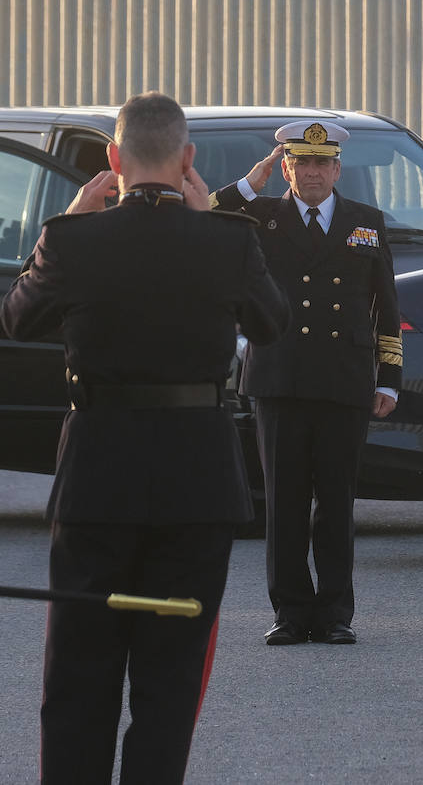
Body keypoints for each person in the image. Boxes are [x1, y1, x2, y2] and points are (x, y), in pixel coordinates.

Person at [0, 91, 289, 783]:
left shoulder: (73, 241)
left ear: (112, 160)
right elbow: (273, 323)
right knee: (169, 685)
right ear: (188, 159)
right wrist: (214, 221)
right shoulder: (229, 239)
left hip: (97, 486)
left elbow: (18, 322)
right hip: (195, 490)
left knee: (78, 682)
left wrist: (65, 223)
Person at [212, 120, 401, 646]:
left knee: (336, 501)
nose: (313, 171)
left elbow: (386, 306)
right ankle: (291, 612)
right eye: (301, 162)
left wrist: (389, 378)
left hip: (344, 378)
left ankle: (336, 611)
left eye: (322, 163)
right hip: (281, 376)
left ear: (338, 169)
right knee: (285, 501)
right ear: (286, 168)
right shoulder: (262, 216)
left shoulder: (366, 221)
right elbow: (206, 213)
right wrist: (252, 182)